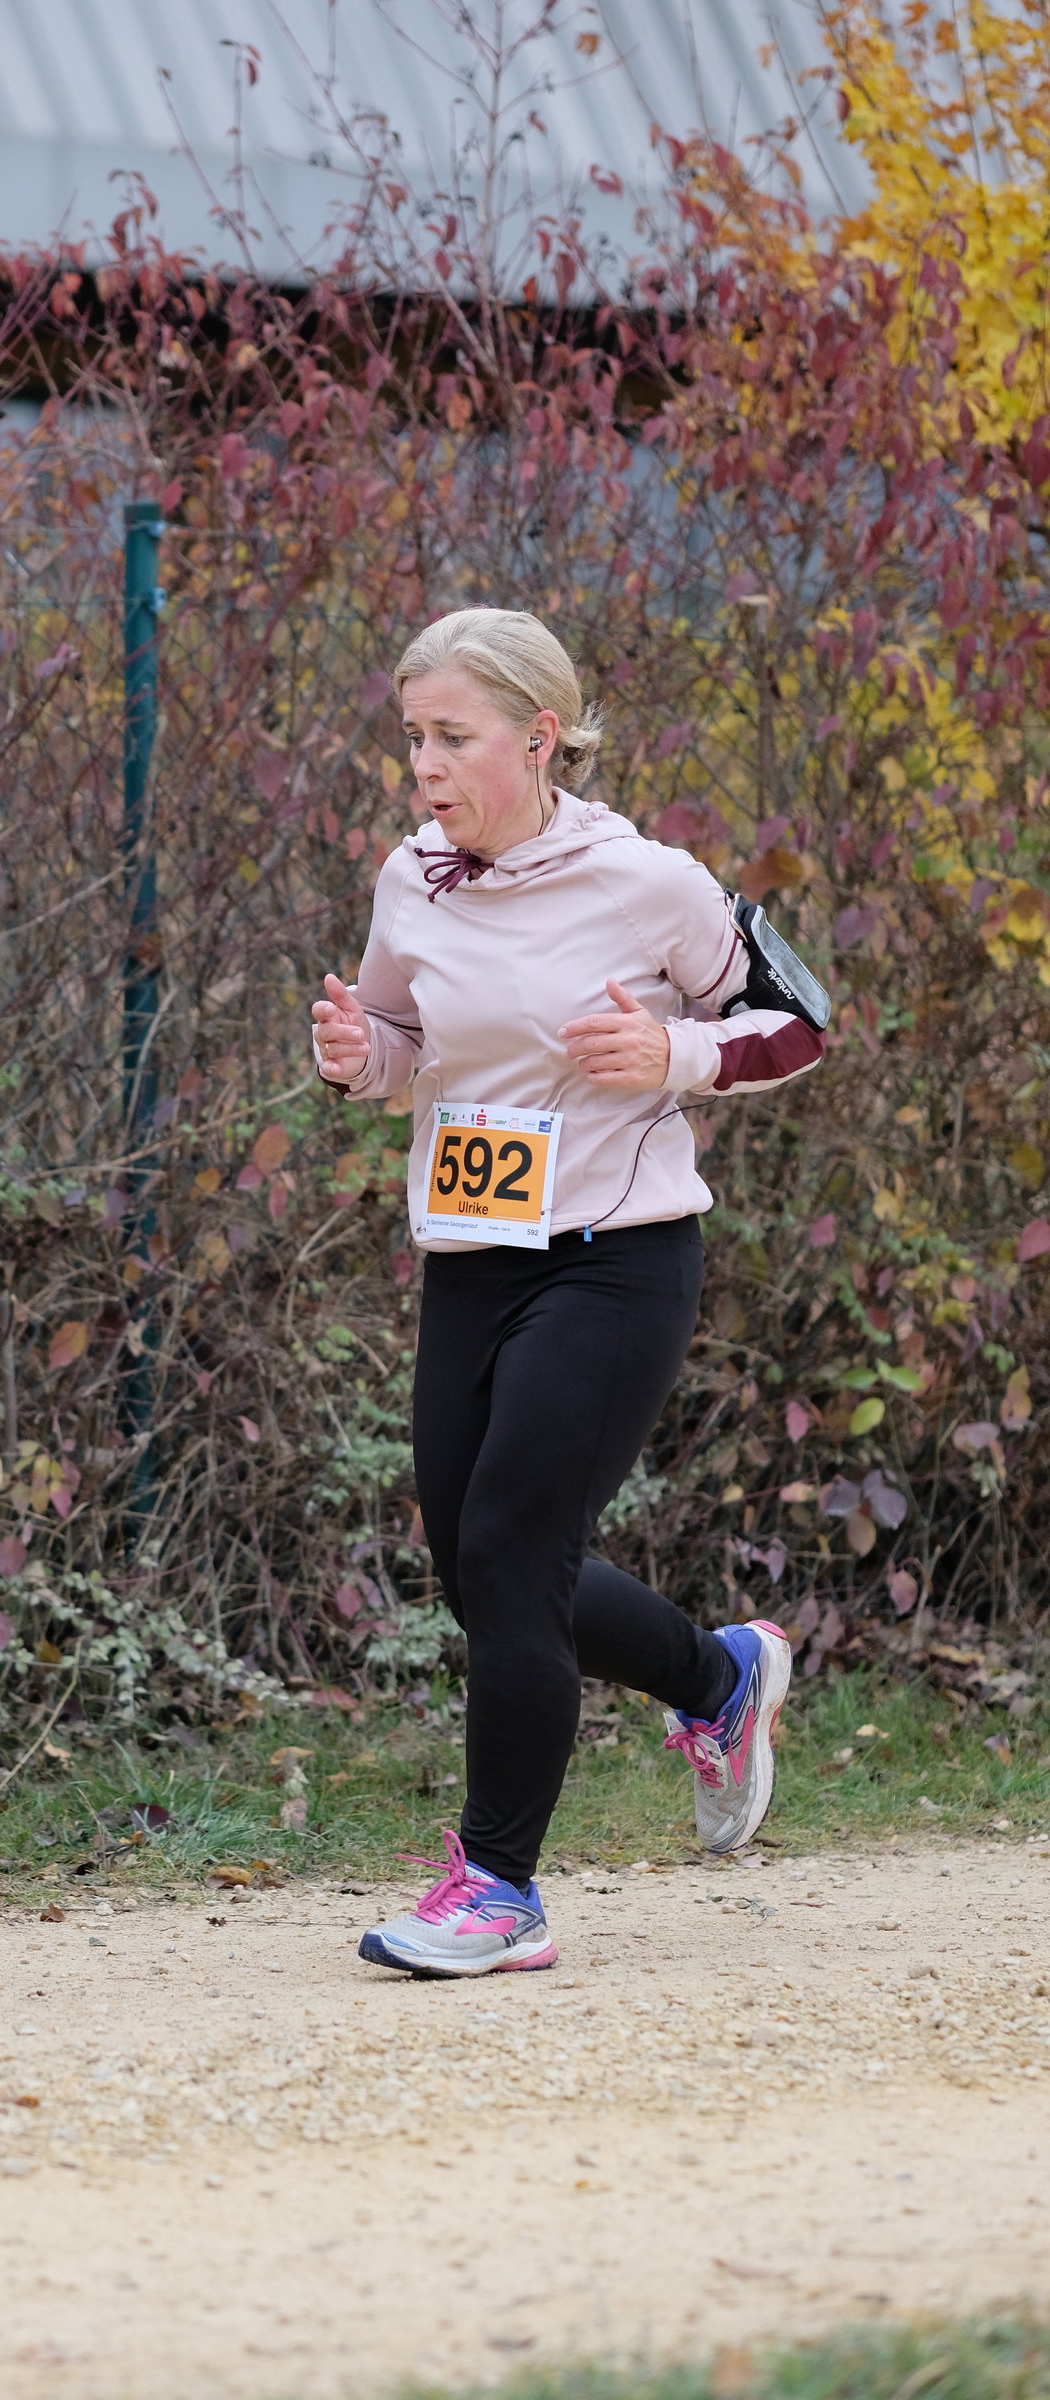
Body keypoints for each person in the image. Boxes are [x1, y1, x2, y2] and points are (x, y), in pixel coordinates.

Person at [310, 607, 824, 1978]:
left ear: (539, 737)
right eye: (413, 737)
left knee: (513, 1550)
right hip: (472, 1256)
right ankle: (718, 1678)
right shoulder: (412, 880)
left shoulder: (646, 881)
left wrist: (675, 1055)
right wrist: (358, 1055)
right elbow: (405, 1041)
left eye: (453, 737)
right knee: (478, 1571)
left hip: (615, 1258)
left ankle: (498, 1891)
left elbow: (799, 1022)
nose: (424, 765)